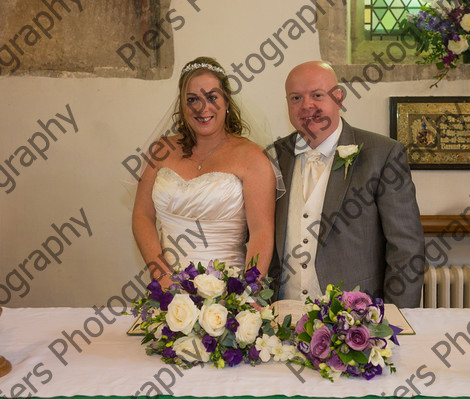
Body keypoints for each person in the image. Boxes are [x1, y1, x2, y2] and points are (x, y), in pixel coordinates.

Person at [268, 61, 425, 308]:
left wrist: (399, 319)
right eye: (296, 98)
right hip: (283, 316)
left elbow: (406, 250)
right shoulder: (274, 156)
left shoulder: (382, 154)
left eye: (317, 95)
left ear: (339, 98)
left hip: (355, 323)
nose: (307, 105)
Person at [132, 57, 276, 288]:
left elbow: (262, 231)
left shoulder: (252, 157)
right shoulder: (162, 150)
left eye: (212, 97)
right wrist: (164, 279)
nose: (202, 108)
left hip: (229, 295)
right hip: (169, 292)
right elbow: (142, 216)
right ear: (182, 105)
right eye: (192, 100)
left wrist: (249, 291)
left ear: (226, 100)